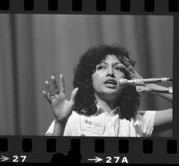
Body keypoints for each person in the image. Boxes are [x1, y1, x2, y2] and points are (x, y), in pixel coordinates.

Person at [43, 45, 172, 137]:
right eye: (101, 67)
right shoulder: (72, 119)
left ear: (127, 80)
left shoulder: (137, 121)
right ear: (89, 79)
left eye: (118, 69)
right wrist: (60, 124)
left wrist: (145, 83)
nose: (110, 73)